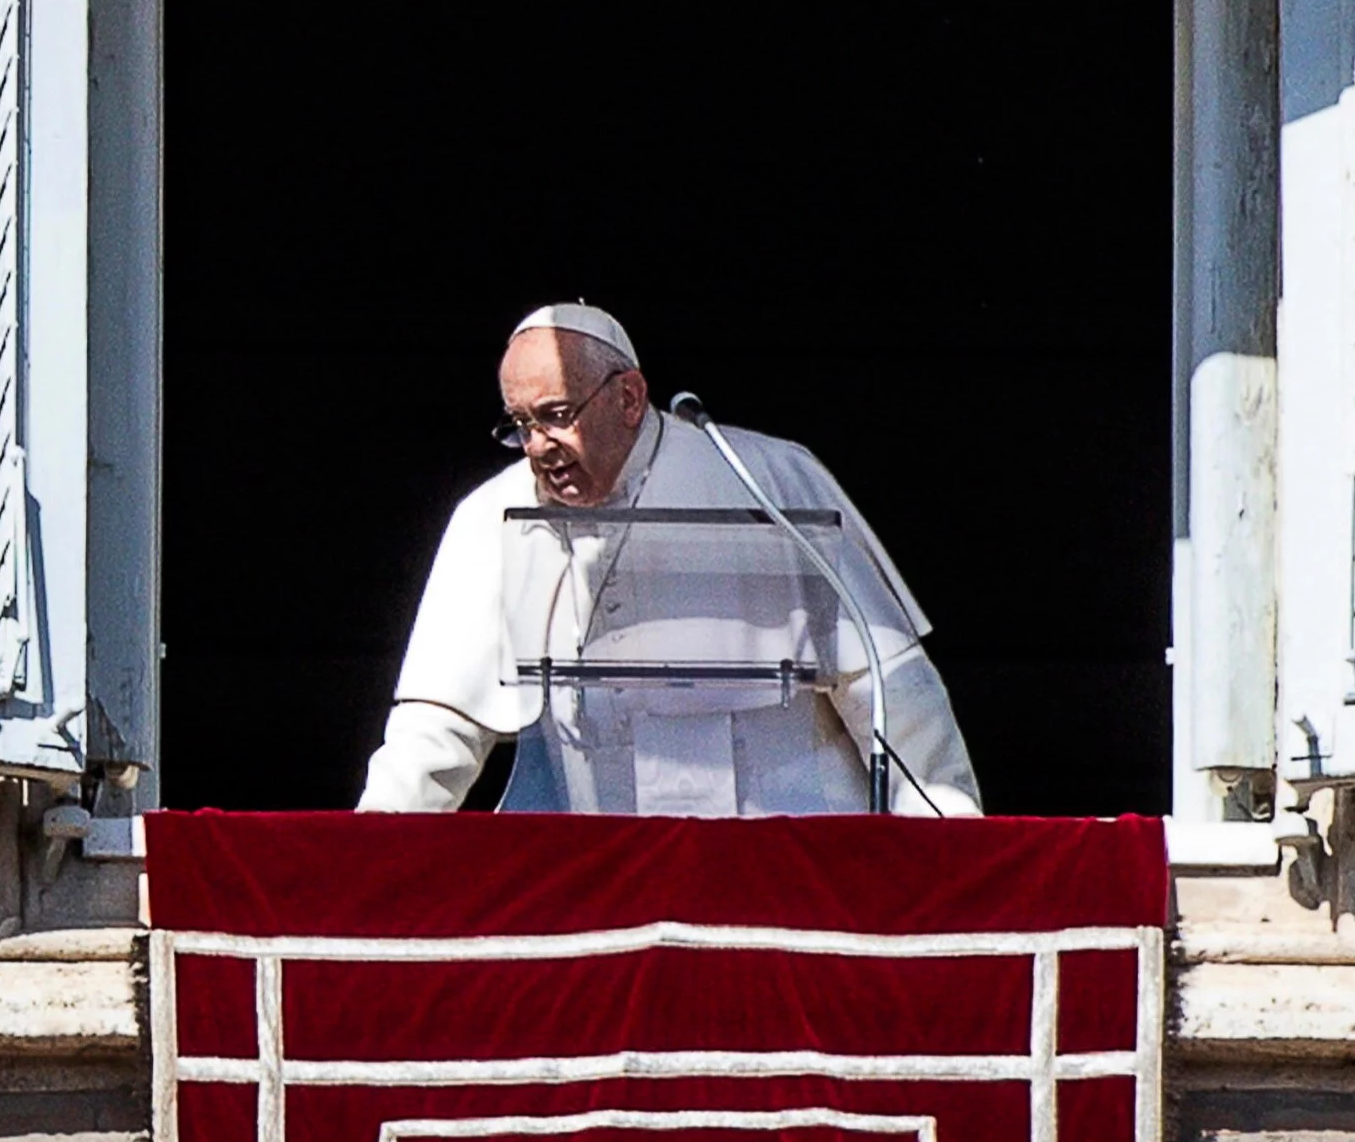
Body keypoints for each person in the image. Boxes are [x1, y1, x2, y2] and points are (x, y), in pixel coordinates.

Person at [357, 303, 982, 816]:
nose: (538, 447)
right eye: (519, 424)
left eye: (556, 416)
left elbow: (890, 691)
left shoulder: (766, 479)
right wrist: (363, 858)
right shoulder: (491, 518)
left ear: (629, 398)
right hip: (611, 881)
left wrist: (950, 850)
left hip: (789, 869)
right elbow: (437, 730)